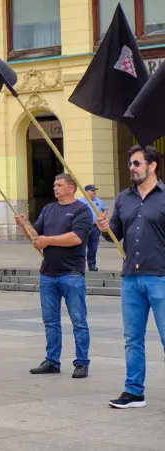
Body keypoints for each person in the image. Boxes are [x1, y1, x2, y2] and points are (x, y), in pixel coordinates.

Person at [96, 144, 165, 409]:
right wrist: (103, 227)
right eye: (130, 164)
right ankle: (134, 391)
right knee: (132, 338)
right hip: (131, 279)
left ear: (152, 165)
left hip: (160, 276)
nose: (132, 168)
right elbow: (114, 231)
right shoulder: (124, 197)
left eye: (137, 163)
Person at [15, 173, 91, 379]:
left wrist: (47, 240)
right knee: (50, 321)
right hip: (48, 274)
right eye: (54, 184)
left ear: (71, 188)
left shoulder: (82, 210)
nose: (55, 188)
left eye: (59, 185)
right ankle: (52, 360)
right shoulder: (49, 209)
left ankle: (82, 362)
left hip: (72, 274)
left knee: (78, 321)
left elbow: (75, 238)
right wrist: (25, 224)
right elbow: (35, 236)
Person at [84, 184, 107, 272]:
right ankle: (80, 266)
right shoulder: (80, 201)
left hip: (95, 228)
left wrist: (103, 215)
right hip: (84, 227)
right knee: (81, 248)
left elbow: (105, 209)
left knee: (93, 248)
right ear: (87, 192)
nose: (94, 192)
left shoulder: (99, 201)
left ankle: (92, 265)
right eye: (92, 191)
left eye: (95, 190)